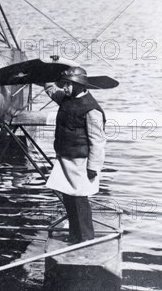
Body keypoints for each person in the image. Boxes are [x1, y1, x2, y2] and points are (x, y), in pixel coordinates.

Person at [44, 66, 106, 243]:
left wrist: (93, 167)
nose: (64, 87)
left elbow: (98, 141)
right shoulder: (66, 98)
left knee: (79, 200)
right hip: (65, 158)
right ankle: (74, 235)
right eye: (64, 84)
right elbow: (50, 89)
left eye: (68, 84)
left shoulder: (91, 109)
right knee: (68, 198)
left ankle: (85, 238)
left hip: (80, 161)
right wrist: (46, 73)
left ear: (79, 85)